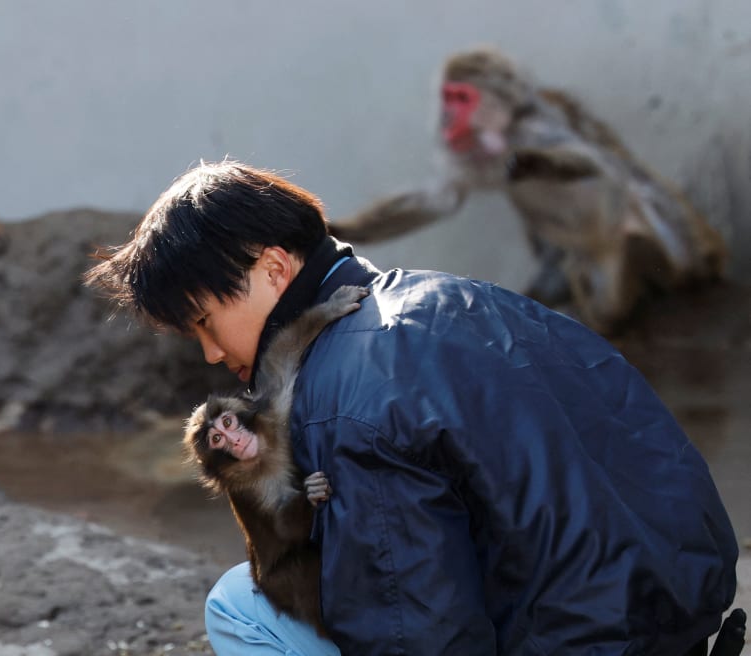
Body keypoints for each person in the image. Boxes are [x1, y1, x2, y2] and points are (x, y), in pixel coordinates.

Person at [84, 161, 739, 655]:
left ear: (273, 269)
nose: (208, 353)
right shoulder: (464, 299)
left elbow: (414, 627)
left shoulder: (342, 396)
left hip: (572, 642)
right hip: (679, 626)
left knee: (240, 605)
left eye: (205, 321)